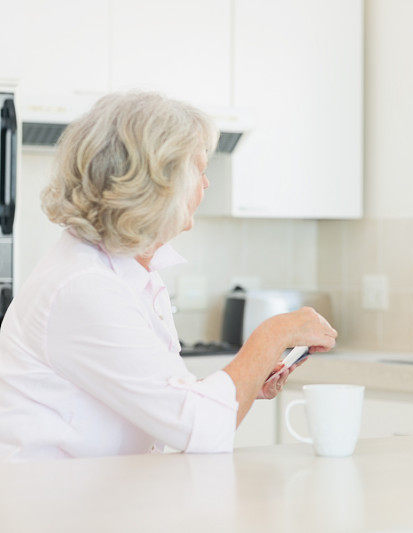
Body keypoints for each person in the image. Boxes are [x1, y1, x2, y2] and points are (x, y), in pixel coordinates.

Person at [0, 92, 337, 460]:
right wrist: (274, 334)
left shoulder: (133, 269)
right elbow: (201, 428)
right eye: (198, 169)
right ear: (155, 182)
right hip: (51, 509)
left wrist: (249, 378)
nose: (206, 185)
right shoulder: (83, 286)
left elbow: (169, 399)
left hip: (98, 501)